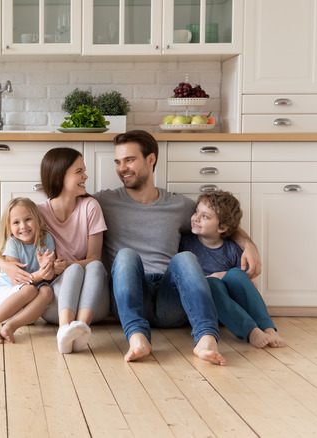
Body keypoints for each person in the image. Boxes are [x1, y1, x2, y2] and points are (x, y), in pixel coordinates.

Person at [94, 130, 262, 365]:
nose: (122, 168)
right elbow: (66, 209)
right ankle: (137, 337)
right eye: (118, 161)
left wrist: (249, 245)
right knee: (126, 256)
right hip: (131, 295)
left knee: (185, 258)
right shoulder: (103, 201)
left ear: (150, 160)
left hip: (170, 298)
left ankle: (205, 338)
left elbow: (219, 222)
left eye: (129, 160)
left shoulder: (179, 205)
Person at [0, 148, 110, 354]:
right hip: (56, 304)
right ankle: (65, 329)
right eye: (79, 171)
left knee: (94, 266)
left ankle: (80, 328)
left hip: (93, 304)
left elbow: (94, 258)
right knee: (73, 271)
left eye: (84, 170)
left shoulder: (91, 207)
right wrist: (7, 267)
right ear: (60, 175)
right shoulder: (37, 213)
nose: (86, 176)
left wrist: (66, 265)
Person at [179, 191, 286, 348]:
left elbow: (250, 283)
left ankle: (268, 328)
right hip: (207, 309)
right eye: (197, 212)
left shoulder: (232, 249)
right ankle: (251, 331)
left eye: (205, 216)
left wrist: (222, 275)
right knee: (212, 284)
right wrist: (211, 279)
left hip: (234, 308)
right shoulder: (186, 243)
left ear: (222, 227)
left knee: (236, 273)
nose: (196, 218)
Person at [0, 197, 57, 344]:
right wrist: (41, 273)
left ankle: (10, 326)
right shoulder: (12, 243)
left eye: (28, 219)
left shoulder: (47, 239)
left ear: (37, 219)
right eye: (16, 222)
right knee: (29, 290)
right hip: (3, 298)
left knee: (47, 291)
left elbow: (49, 277)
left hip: (24, 309)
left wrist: (48, 269)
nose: (23, 226)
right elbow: (17, 282)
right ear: (9, 227)